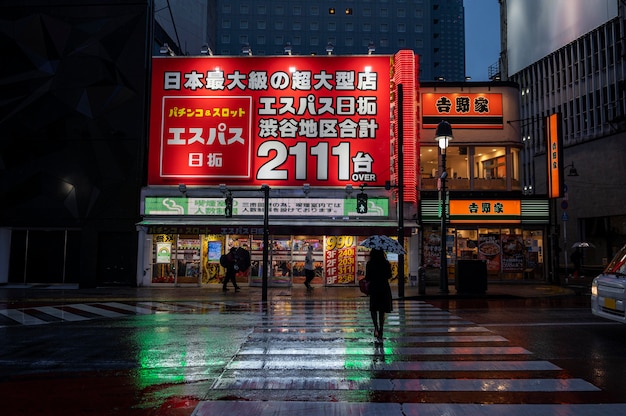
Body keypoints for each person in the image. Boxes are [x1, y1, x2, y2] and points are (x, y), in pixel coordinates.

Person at [364, 248, 393, 342]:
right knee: (382, 310)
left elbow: (367, 277)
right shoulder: (386, 263)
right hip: (384, 287)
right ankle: (381, 330)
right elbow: (389, 276)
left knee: (373, 308)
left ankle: (375, 327)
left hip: (374, 287)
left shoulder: (370, 264)